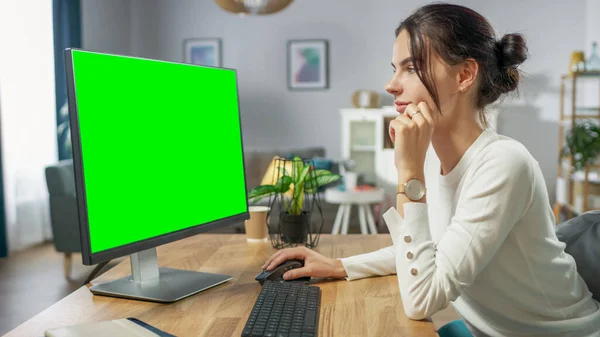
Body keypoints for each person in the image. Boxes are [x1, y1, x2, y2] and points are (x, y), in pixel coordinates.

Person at [261, 3, 600, 337]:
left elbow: (421, 299)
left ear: (464, 75)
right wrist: (339, 266)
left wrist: (408, 172)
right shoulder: (433, 160)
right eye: (395, 68)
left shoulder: (503, 163)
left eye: (410, 68)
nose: (391, 85)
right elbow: (430, 246)